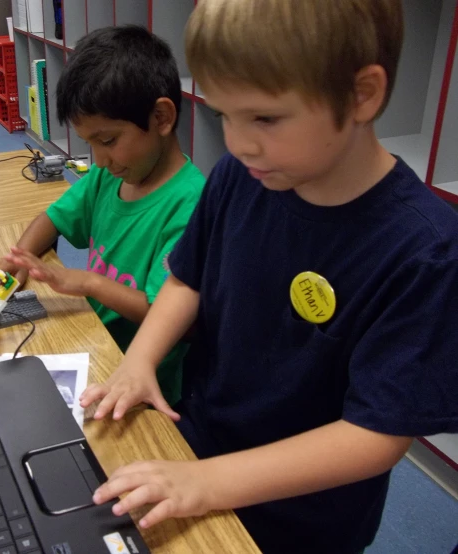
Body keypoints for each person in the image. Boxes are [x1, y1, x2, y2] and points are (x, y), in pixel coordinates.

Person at [79, 1, 458, 553]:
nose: (236, 143)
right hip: (198, 442)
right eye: (224, 115)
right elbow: (187, 279)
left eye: (264, 119)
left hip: (303, 514)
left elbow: (374, 436)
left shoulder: (427, 251)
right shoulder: (243, 175)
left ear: (361, 95)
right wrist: (139, 362)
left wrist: (208, 483)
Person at [0, 25, 206, 406]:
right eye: (90, 144)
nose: (99, 160)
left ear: (161, 118)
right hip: (91, 339)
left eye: (108, 141)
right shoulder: (108, 176)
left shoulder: (189, 205)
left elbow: (165, 313)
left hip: (136, 384)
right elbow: (52, 218)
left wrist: (87, 282)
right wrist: (18, 258)